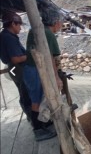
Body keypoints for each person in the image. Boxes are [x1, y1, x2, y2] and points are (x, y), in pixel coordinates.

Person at [23, 8, 63, 141]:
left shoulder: (33, 29)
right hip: (34, 70)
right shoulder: (48, 33)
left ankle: (44, 122)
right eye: (61, 22)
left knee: (39, 98)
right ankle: (38, 131)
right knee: (36, 100)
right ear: (56, 22)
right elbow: (50, 57)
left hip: (29, 69)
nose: (61, 25)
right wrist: (56, 78)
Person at [0, 12, 32, 121]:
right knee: (27, 94)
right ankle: (37, 126)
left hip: (13, 69)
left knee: (23, 92)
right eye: (19, 25)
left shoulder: (5, 35)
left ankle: (31, 117)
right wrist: (30, 56)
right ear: (13, 24)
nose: (20, 28)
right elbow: (16, 59)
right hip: (17, 68)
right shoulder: (9, 37)